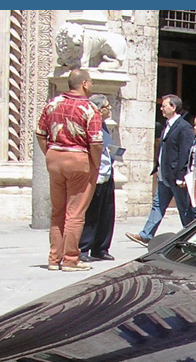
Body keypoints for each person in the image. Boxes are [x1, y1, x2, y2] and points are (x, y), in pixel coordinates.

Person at [35, 68, 102, 271]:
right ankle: (71, 259)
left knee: (58, 211)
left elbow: (40, 133)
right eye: (90, 82)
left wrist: (49, 152)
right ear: (83, 84)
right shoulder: (90, 109)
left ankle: (54, 258)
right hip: (79, 160)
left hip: (54, 158)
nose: (91, 85)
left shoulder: (52, 104)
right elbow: (96, 142)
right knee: (75, 212)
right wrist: (95, 163)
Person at [126, 94, 195, 245]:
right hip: (164, 175)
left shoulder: (184, 127)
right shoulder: (167, 126)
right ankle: (146, 234)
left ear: (174, 107)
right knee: (158, 204)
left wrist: (181, 175)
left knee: (183, 208)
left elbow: (185, 152)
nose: (161, 109)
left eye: (164, 106)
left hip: (176, 176)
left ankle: (192, 234)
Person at [78, 94, 118, 263]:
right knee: (92, 214)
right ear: (98, 109)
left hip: (107, 173)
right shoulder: (89, 125)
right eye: (107, 107)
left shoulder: (104, 126)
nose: (109, 110)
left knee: (107, 213)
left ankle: (101, 248)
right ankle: (84, 248)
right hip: (94, 174)